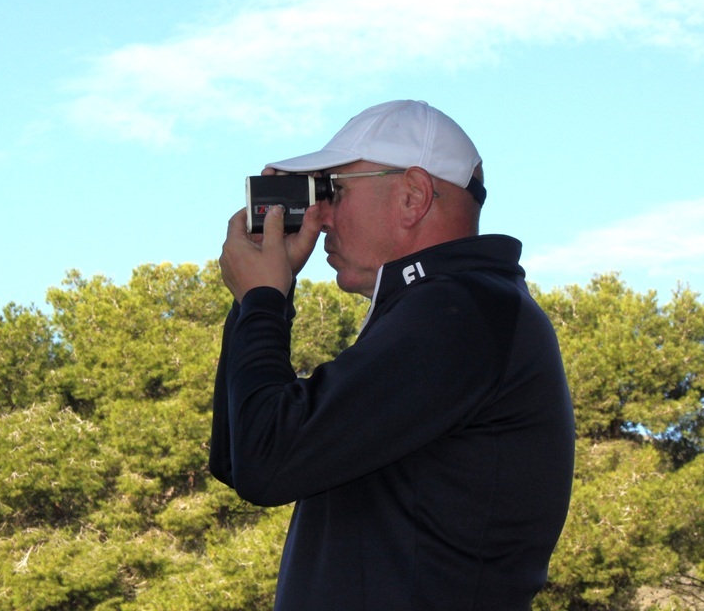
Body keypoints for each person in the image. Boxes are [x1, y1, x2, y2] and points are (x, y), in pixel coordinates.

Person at [209, 100, 574, 610]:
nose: (321, 216)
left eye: (334, 190)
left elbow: (265, 460)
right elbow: (237, 455)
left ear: (413, 196)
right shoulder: (465, 310)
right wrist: (260, 299)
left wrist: (263, 299)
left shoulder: (465, 309)